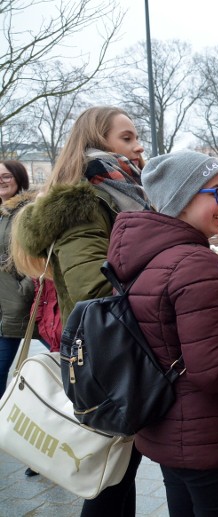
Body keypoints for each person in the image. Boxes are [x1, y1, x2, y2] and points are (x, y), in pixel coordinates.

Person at [106, 150, 218, 516]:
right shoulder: (195, 263)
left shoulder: (144, 258)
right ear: (182, 198)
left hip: (166, 431)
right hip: (211, 440)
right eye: (217, 192)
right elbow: (215, 369)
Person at [11, 106, 148, 516]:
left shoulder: (120, 194)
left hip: (121, 350)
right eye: (126, 138)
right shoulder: (86, 203)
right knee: (107, 477)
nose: (138, 145)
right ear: (95, 143)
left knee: (119, 471)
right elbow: (95, 290)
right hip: (106, 356)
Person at [0, 160, 38, 393]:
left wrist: (26, 288)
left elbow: (42, 254)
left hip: (28, 303)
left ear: (18, 177)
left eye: (5, 176)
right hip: (5, 311)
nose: (1, 181)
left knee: (65, 361)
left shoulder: (31, 210)